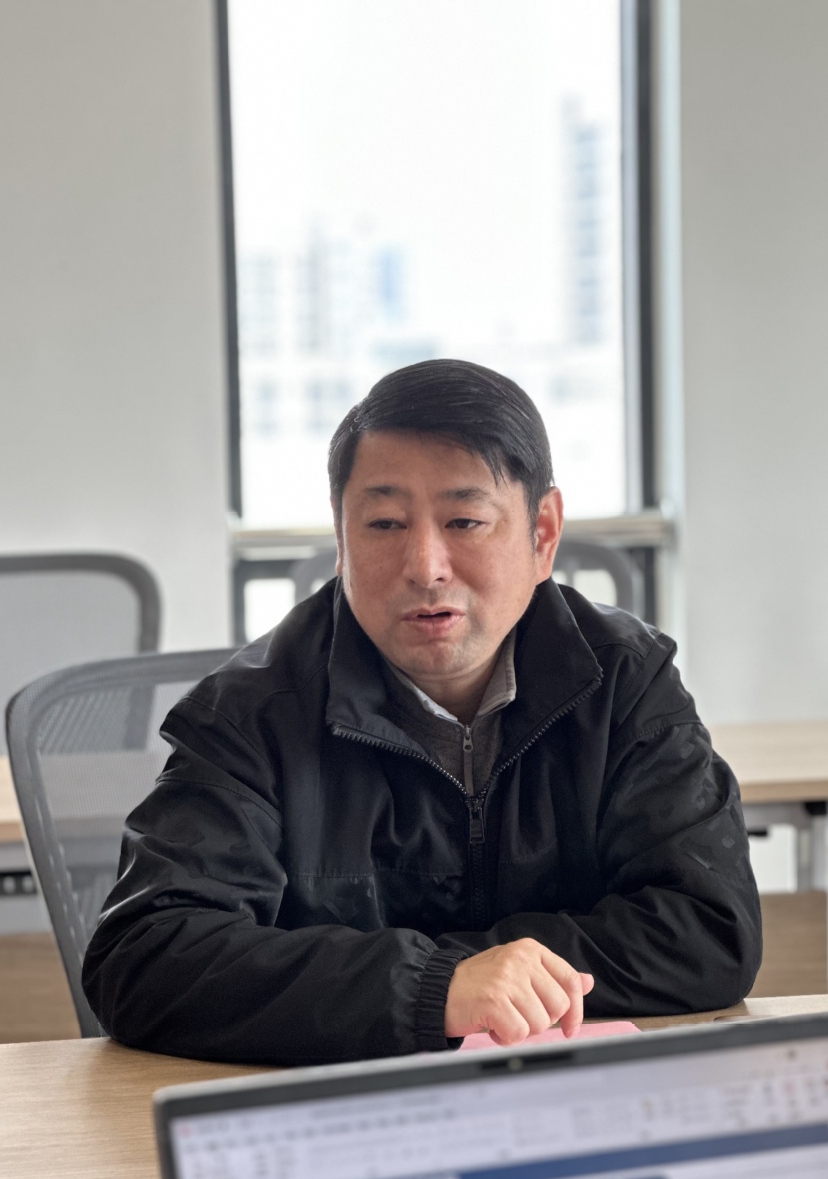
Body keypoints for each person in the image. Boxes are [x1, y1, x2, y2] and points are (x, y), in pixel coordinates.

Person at [82, 359, 761, 1064]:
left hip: (568, 1091)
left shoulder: (623, 679)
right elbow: (145, 956)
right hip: (342, 1106)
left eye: (465, 520)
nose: (426, 565)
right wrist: (436, 989)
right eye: (384, 523)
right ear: (340, 540)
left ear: (542, 534)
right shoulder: (251, 712)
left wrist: (465, 980)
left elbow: (708, 931)